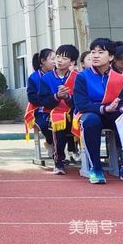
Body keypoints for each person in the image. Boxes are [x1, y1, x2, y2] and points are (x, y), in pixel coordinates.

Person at [74, 38, 123, 184]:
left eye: (100, 52)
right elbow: (81, 104)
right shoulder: (82, 77)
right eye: (93, 52)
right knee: (91, 121)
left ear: (111, 57)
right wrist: (104, 108)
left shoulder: (119, 78)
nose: (95, 55)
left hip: (112, 114)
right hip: (90, 113)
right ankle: (96, 168)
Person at [39, 44, 79, 175]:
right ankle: (59, 161)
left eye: (64, 58)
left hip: (73, 113)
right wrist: (57, 96)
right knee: (57, 122)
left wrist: (67, 97)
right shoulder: (46, 78)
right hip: (52, 113)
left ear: (72, 62)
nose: (59, 60)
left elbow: (80, 100)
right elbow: (43, 101)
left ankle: (85, 159)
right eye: (58, 57)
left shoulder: (77, 77)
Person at [25, 49, 55, 156]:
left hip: (57, 108)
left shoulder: (57, 75)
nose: (55, 61)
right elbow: (32, 97)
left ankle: (71, 149)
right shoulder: (34, 78)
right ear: (43, 61)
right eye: (52, 59)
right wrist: (47, 101)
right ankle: (50, 143)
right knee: (46, 124)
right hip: (40, 110)